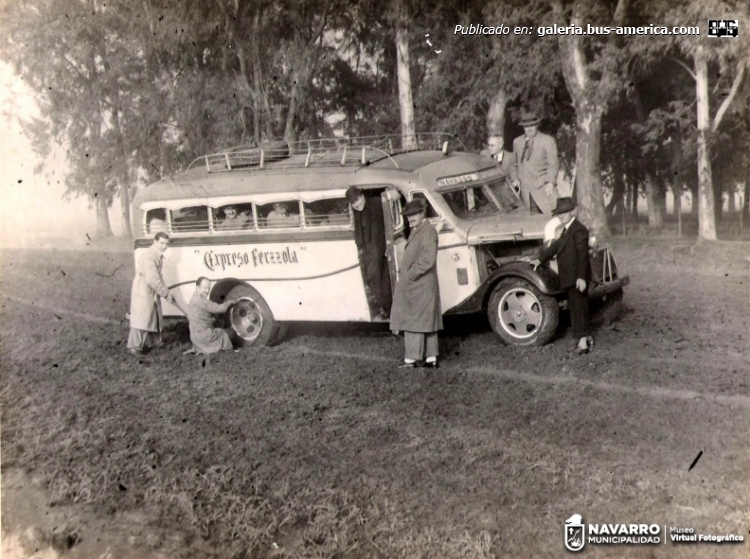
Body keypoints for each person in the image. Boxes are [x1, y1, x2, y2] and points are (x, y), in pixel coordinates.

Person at [532, 197, 592, 354]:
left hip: (576, 277)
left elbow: (583, 255)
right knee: (575, 308)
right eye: (560, 213)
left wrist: (581, 277)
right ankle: (582, 338)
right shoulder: (566, 230)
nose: (562, 215)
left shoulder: (579, 230)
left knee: (580, 308)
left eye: (565, 212)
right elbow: (555, 246)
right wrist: (539, 260)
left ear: (573, 211)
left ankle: (583, 343)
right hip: (569, 277)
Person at [390, 199, 442, 368]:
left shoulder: (427, 232)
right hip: (422, 284)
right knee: (426, 320)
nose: (411, 218)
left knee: (413, 320)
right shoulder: (419, 230)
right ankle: (430, 357)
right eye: (408, 216)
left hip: (420, 284)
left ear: (422, 213)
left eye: (414, 215)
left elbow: (427, 260)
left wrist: (410, 275)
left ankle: (411, 359)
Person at [346, 186, 391, 320]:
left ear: (363, 196)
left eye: (358, 200)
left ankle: (390, 311)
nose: (357, 204)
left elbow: (391, 200)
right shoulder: (356, 212)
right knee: (371, 281)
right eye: (353, 203)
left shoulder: (377, 202)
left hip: (381, 248)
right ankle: (387, 309)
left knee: (384, 283)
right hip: (368, 251)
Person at [127, 232, 175, 356]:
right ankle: (134, 346)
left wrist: (166, 291)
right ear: (155, 242)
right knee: (142, 316)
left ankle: (154, 343)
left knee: (154, 315)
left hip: (151, 288)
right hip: (143, 288)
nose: (164, 246)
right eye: (161, 243)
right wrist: (165, 293)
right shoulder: (149, 256)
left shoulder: (157, 255)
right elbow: (153, 279)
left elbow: (158, 276)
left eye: (166, 244)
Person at [509, 111, 560, 215]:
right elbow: (513, 164)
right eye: (526, 126)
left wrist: (550, 182)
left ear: (537, 125)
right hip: (525, 192)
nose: (529, 128)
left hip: (543, 189)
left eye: (532, 125)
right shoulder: (517, 142)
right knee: (531, 223)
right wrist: (515, 179)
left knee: (552, 218)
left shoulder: (547, 141)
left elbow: (553, 164)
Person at [184, 277, 236, 354]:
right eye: (205, 288)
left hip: (194, 337)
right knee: (228, 333)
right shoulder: (201, 300)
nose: (207, 291)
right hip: (204, 337)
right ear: (198, 287)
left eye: (208, 288)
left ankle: (201, 348)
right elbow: (219, 309)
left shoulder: (194, 297)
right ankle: (228, 352)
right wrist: (229, 303)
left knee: (216, 321)